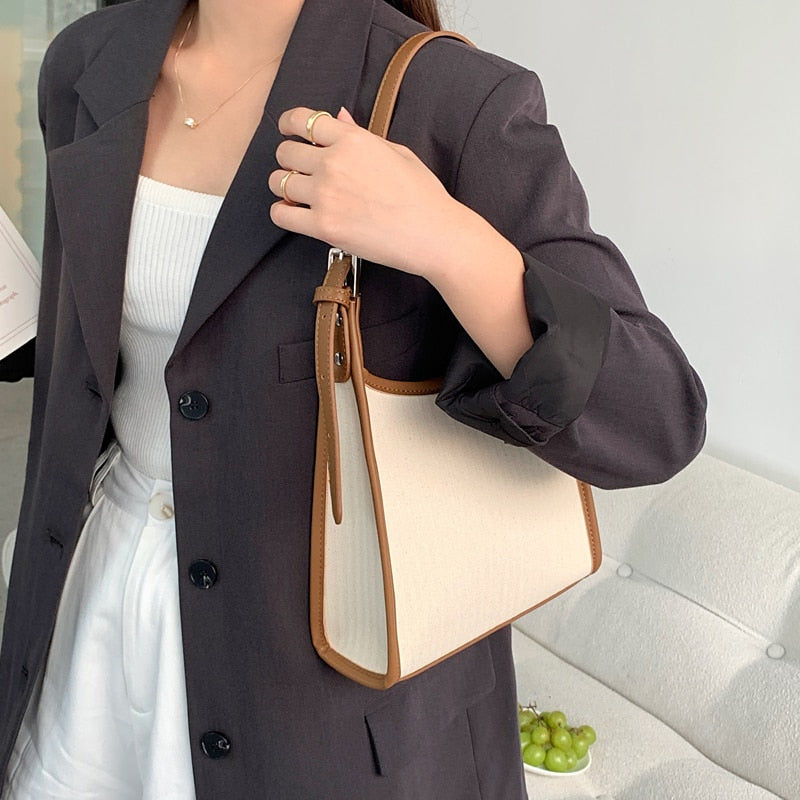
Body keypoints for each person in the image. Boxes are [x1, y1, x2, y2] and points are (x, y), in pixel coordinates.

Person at [0, 0, 707, 796]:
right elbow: (103, 348)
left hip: (335, 698)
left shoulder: (451, 98)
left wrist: (447, 240)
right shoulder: (86, 62)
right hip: (93, 611)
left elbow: (655, 418)